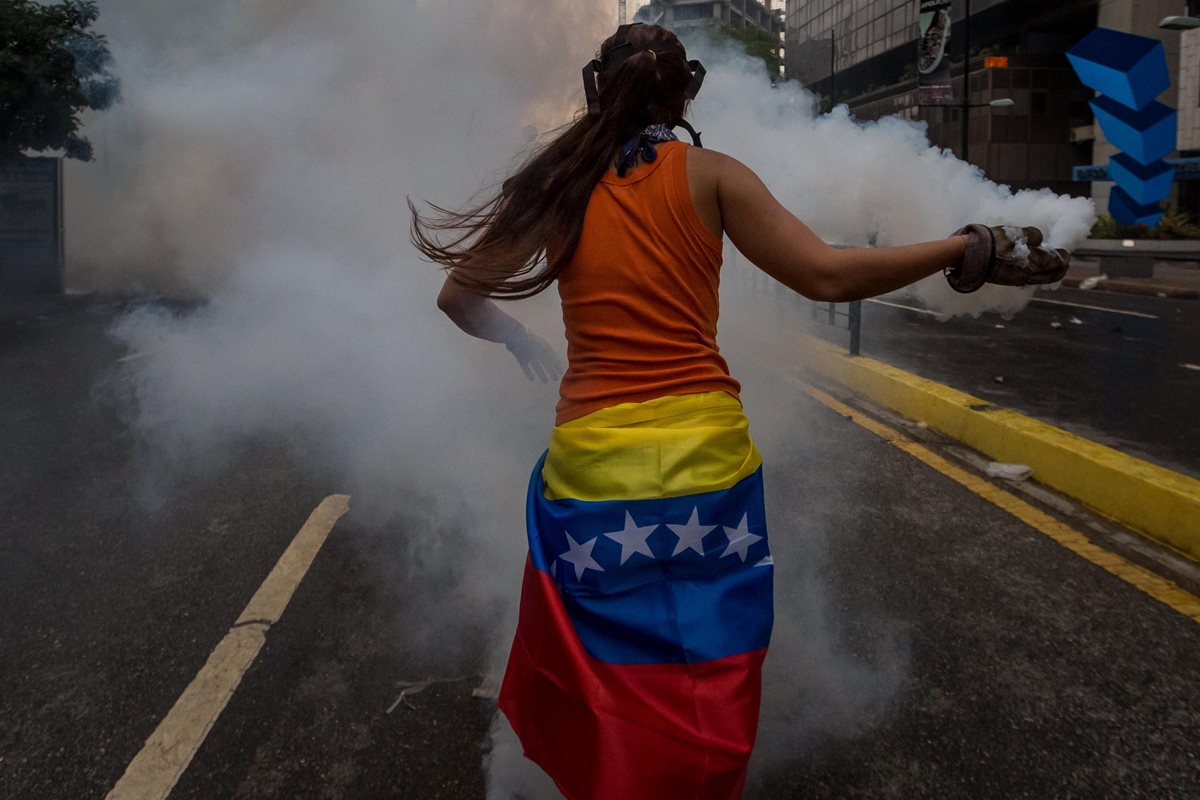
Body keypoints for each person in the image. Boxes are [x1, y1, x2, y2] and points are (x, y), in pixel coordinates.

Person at [410, 22, 1067, 800]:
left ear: (597, 87)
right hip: (708, 469)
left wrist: (520, 338)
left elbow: (458, 297)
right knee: (702, 661)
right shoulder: (715, 175)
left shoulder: (556, 183)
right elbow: (825, 275)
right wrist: (963, 247)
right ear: (685, 92)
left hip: (593, 472)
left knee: (607, 671)